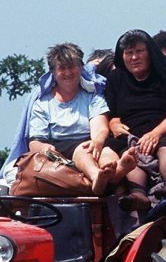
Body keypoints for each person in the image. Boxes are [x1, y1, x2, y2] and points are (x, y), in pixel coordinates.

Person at [28, 43, 137, 195]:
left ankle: (113, 170)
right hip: (60, 148)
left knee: (106, 150)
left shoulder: (92, 95)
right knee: (82, 150)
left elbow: (100, 125)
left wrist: (97, 142)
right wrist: (44, 149)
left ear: (81, 68)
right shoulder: (43, 103)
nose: (68, 72)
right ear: (53, 72)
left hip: (91, 141)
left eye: (72, 67)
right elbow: (35, 141)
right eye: (62, 68)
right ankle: (96, 176)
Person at [105, 30, 166, 210]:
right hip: (132, 131)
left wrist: (155, 133)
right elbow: (111, 112)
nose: (134, 57)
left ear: (150, 52)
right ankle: (138, 195)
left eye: (139, 51)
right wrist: (113, 123)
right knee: (129, 149)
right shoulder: (116, 78)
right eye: (129, 53)